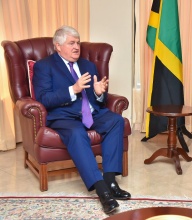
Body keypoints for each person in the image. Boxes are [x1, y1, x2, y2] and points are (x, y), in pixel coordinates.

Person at [32, 25, 131, 214]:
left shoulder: (88, 65)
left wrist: (99, 92)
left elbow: (98, 97)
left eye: (77, 42)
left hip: (92, 113)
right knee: (77, 133)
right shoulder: (44, 66)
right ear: (58, 46)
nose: (76, 46)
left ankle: (111, 181)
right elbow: (43, 99)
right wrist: (73, 90)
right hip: (64, 116)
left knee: (116, 121)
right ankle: (102, 191)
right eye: (71, 43)